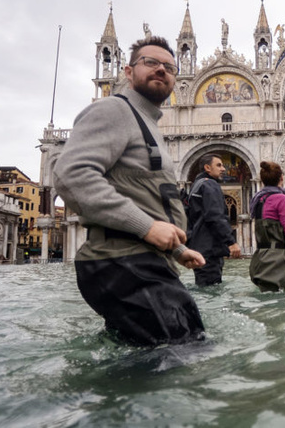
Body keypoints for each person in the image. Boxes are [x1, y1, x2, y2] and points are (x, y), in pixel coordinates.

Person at [53, 36, 207, 346]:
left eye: (169, 67)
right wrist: (148, 227)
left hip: (140, 263)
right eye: (150, 62)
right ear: (127, 71)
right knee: (183, 357)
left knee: (153, 359)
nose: (160, 70)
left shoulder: (146, 123)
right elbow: (71, 175)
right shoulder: (114, 110)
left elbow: (147, 197)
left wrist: (177, 250)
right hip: (125, 263)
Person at [186, 153, 241, 286]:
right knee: (212, 290)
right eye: (219, 165)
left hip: (198, 248)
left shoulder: (196, 185)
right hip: (209, 249)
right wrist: (231, 242)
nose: (223, 169)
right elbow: (215, 216)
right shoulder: (210, 185)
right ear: (207, 168)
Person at [248, 161, 285, 292]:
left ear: (262, 181)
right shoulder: (281, 198)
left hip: (259, 260)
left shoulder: (258, 199)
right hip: (276, 262)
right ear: (282, 178)